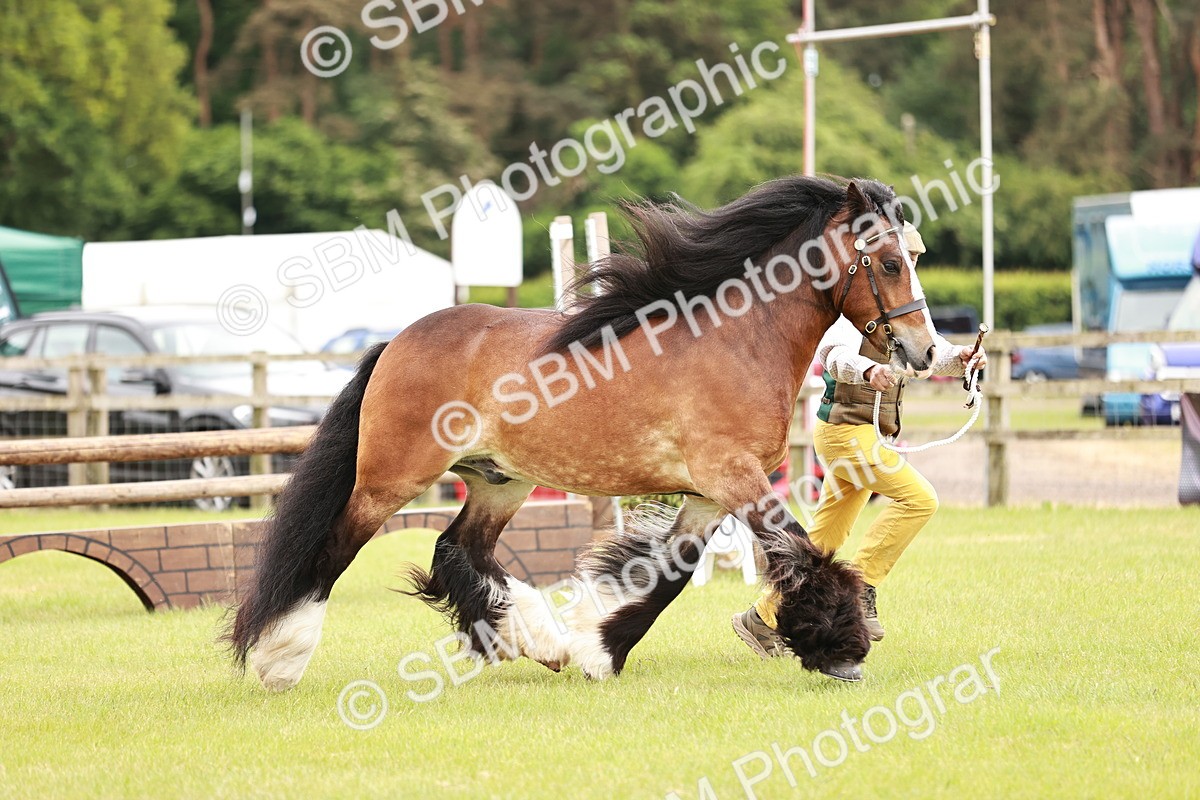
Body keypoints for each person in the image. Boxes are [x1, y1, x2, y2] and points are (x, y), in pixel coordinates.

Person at [731, 222, 987, 682]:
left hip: (856, 436)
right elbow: (833, 355)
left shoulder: (903, 310)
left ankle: (761, 619)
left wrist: (963, 358)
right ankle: (863, 586)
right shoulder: (862, 307)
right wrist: (868, 372)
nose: (911, 270)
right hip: (848, 435)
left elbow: (932, 356)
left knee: (825, 539)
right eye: (906, 261)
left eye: (913, 262)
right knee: (919, 499)